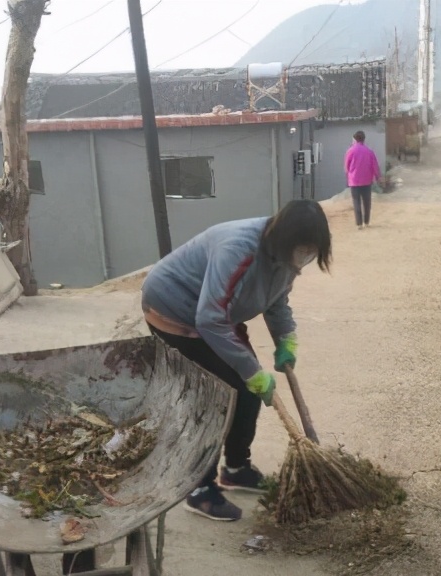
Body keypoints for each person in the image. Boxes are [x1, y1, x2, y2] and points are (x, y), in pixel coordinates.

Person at [141, 199, 333, 521]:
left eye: (311, 251)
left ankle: (236, 468)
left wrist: (286, 339)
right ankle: (199, 486)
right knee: (217, 399)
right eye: (302, 250)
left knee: (246, 393)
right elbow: (209, 318)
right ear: (284, 240)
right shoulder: (239, 250)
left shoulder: (284, 254)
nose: (305, 258)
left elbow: (276, 299)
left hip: (215, 317)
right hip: (174, 310)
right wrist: (250, 371)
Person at [344, 130, 382, 230]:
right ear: (364, 139)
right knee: (367, 202)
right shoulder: (369, 151)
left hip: (354, 181)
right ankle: (366, 222)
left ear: (354, 139)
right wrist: (378, 177)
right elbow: (375, 166)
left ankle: (359, 224)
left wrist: (348, 177)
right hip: (367, 180)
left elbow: (346, 167)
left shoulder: (350, 151)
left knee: (356, 202)